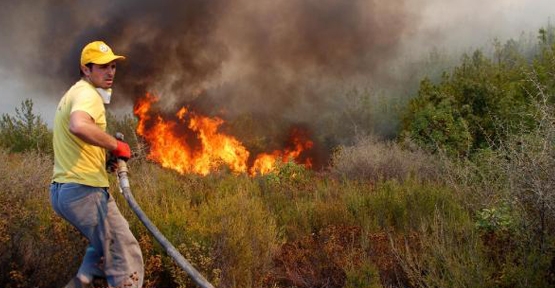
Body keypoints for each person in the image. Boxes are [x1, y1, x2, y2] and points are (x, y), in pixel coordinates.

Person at [50, 41, 144, 288]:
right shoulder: (88, 94)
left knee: (99, 255)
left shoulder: (73, 93)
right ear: (86, 69)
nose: (110, 72)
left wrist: (104, 160)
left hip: (64, 190)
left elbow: (77, 143)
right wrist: (115, 145)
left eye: (113, 66)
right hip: (84, 192)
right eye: (102, 67)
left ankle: (82, 279)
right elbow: (79, 126)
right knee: (126, 256)